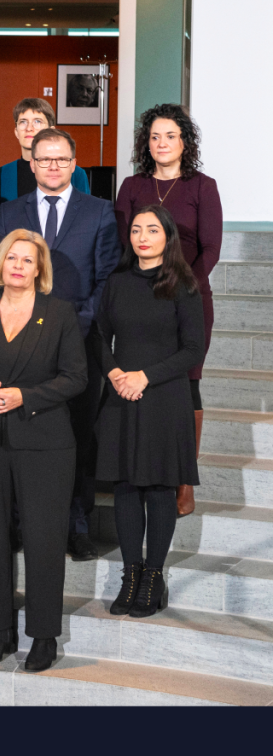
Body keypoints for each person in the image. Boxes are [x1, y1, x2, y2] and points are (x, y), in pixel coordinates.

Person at [0, 231, 87, 674]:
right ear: (0, 264)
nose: (17, 266)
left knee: (44, 540)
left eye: (26, 260)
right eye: (10, 258)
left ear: (39, 269)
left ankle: (44, 636)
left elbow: (76, 378)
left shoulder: (60, 313)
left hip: (44, 443)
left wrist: (23, 397)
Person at [0, 127, 121, 562]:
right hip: (18, 343)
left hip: (78, 342)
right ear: (31, 163)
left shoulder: (101, 212)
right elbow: (1, 276)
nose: (53, 166)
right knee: (18, 434)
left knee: (77, 436)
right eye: (44, 159)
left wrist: (73, 326)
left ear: (74, 164)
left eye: (62, 159)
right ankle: (17, 522)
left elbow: (106, 278)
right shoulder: (10, 212)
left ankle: (76, 526)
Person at [95, 206, 204, 619]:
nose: (142, 236)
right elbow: (100, 335)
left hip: (164, 397)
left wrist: (145, 376)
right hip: (122, 395)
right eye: (137, 229)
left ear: (167, 236)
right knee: (125, 487)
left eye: (152, 229)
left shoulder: (183, 284)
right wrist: (115, 371)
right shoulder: (117, 281)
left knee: (158, 490)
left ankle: (154, 578)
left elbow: (193, 349)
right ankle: (131, 575)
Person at [115, 104, 223, 517]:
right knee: (139, 381)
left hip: (189, 299)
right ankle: (141, 468)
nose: (162, 143)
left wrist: (181, 288)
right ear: (147, 143)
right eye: (155, 136)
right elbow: (125, 245)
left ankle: (183, 481)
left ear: (184, 142)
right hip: (138, 304)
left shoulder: (202, 186)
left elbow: (211, 247)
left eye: (170, 136)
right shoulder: (132, 186)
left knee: (185, 383)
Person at [0, 98, 90, 203]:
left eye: (37, 121)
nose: (29, 128)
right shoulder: (2, 174)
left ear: (51, 130)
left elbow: (85, 214)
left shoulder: (76, 173)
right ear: (16, 132)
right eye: (23, 122)